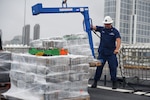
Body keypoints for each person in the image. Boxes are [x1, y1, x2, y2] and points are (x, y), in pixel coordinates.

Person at [91, 16, 121, 89]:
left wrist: (117, 49)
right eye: (105, 24)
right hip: (102, 53)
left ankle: (114, 82)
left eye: (108, 24)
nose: (106, 25)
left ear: (111, 23)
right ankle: (95, 82)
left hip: (111, 53)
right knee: (99, 68)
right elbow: (94, 27)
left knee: (113, 68)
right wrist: (91, 26)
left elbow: (118, 40)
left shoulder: (115, 31)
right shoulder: (102, 29)